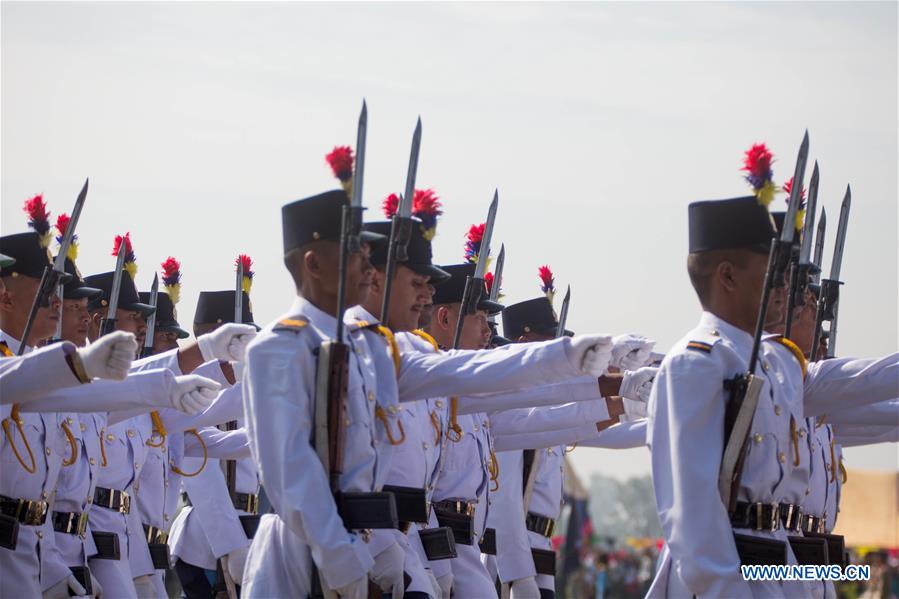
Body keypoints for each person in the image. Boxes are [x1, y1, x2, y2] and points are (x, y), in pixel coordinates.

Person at [241, 188, 616, 598]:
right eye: (358, 258)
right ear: (313, 264)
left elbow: (462, 371)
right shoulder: (280, 348)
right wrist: (344, 563)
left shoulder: (375, 349)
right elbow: (291, 476)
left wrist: (567, 358)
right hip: (302, 557)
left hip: (367, 548)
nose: (368, 270)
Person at [645, 193, 898, 598]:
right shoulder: (697, 363)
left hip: (774, 565)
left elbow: (855, 381)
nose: (783, 287)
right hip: (728, 575)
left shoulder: (774, 360)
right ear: (728, 276)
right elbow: (693, 515)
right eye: (772, 274)